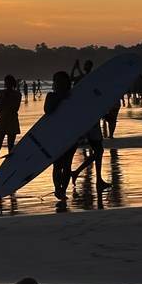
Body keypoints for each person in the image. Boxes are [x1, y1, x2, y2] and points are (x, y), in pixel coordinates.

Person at [69, 59, 110, 190]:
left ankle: (93, 178)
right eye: (85, 66)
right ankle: (96, 180)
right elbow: (72, 79)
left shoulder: (90, 78)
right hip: (89, 120)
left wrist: (77, 68)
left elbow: (85, 80)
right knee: (99, 150)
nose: (86, 67)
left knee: (99, 151)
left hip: (90, 119)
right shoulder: (87, 80)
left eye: (87, 66)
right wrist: (75, 68)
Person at [44, 71, 76, 200]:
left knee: (67, 164)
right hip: (55, 134)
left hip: (71, 133)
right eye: (56, 81)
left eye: (61, 81)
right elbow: (48, 110)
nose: (58, 84)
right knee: (57, 165)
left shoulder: (74, 95)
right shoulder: (51, 96)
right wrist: (60, 97)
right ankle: (58, 189)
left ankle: (63, 190)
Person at [0, 74, 21, 175]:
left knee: (11, 148)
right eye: (5, 82)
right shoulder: (1, 93)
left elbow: (16, 108)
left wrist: (8, 99)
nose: (6, 84)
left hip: (11, 121)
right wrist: (5, 99)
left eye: (8, 82)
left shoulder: (17, 94)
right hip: (2, 121)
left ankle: (11, 169)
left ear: (12, 83)